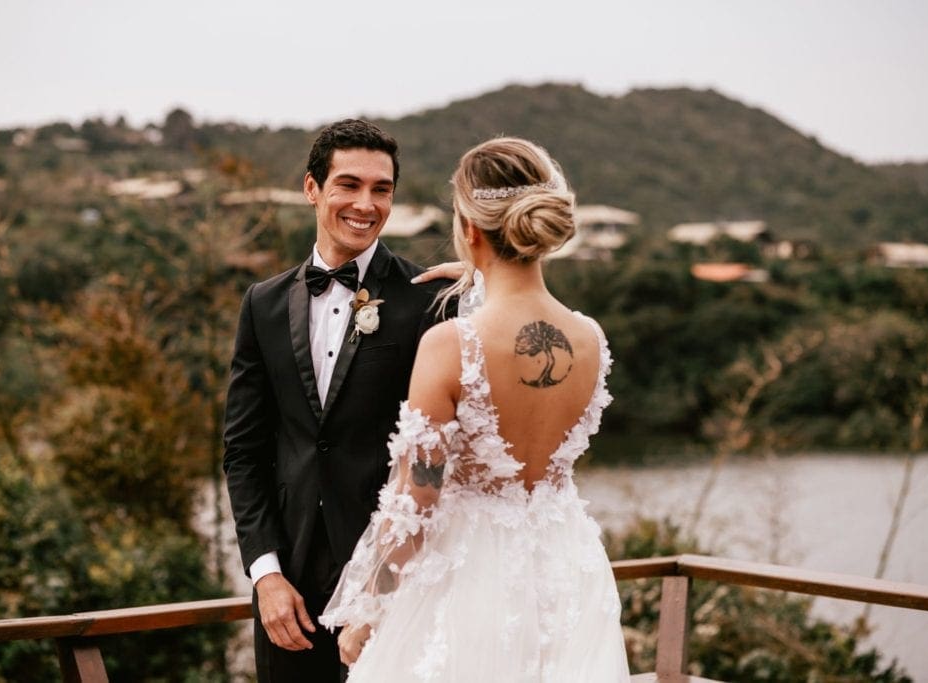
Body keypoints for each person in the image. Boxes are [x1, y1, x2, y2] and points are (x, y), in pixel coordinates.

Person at [319, 137, 631, 681]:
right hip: (567, 575)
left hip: (471, 581)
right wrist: (477, 277)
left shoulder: (453, 344)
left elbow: (415, 501)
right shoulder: (590, 339)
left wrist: (368, 611)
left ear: (468, 228)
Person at [222, 119, 455, 682]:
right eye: (349, 185)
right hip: (290, 595)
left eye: (382, 189)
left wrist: (481, 287)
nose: (366, 204)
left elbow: (447, 454)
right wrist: (265, 575)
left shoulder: (432, 298)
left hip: (394, 584)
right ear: (311, 189)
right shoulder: (263, 304)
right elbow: (243, 452)